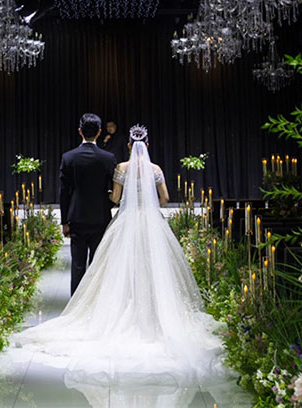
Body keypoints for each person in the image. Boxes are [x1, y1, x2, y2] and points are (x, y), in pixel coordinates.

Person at [13, 124, 228, 391]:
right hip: (151, 224)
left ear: (128, 145)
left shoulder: (122, 168)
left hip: (126, 223)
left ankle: (120, 306)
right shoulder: (156, 169)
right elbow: (164, 198)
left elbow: (114, 198)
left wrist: (120, 199)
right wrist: (147, 204)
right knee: (154, 267)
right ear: (147, 145)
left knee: (118, 267)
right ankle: (154, 312)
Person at [58, 112, 117, 294]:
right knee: (98, 266)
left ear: (79, 131)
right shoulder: (108, 158)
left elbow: (64, 192)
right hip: (100, 217)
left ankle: (76, 304)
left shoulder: (69, 158)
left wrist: (64, 221)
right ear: (99, 132)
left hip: (76, 217)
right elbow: (114, 191)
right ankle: (96, 302)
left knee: (77, 266)